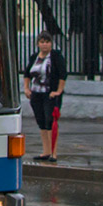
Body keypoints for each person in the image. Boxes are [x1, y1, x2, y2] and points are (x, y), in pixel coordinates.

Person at [23, 30, 67, 162]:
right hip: (36, 94)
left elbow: (62, 75)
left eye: (47, 42)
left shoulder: (56, 57)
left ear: (51, 44)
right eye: (42, 42)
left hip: (50, 95)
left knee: (50, 121)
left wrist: (58, 91)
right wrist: (26, 88)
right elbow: (27, 74)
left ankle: (54, 152)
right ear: (38, 44)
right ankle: (46, 151)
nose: (45, 45)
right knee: (41, 121)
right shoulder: (34, 57)